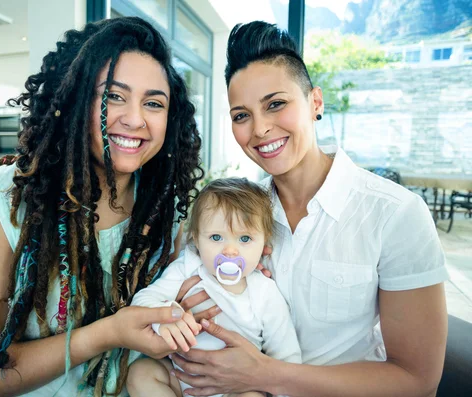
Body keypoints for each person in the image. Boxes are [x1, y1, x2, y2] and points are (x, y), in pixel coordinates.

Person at [168, 21, 450, 397]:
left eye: (276, 105)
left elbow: (418, 382)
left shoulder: (395, 214)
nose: (260, 129)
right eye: (241, 115)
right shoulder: (236, 216)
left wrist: (265, 375)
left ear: (315, 102)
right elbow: (181, 280)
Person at [0, 17, 204, 397]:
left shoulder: (164, 207)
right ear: (74, 100)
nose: (134, 119)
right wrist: (106, 333)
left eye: (153, 102)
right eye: (113, 96)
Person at [125, 178, 301, 397]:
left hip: (237, 388)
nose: (230, 250)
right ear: (196, 240)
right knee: (140, 373)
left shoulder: (264, 291)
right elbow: (143, 301)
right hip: (181, 379)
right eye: (216, 237)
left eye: (245, 238)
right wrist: (165, 319)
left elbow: (287, 356)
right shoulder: (187, 267)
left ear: (264, 244)